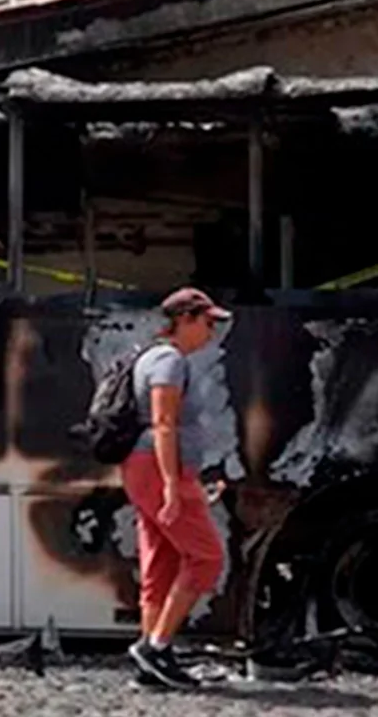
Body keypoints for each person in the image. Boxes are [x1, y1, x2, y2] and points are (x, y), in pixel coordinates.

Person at [125, 286, 231, 689]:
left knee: (162, 563)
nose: (211, 331)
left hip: (145, 469)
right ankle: (157, 648)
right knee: (206, 557)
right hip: (158, 469)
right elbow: (163, 424)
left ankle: (148, 662)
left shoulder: (150, 357)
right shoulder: (169, 362)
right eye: (207, 323)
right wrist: (172, 485)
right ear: (184, 319)